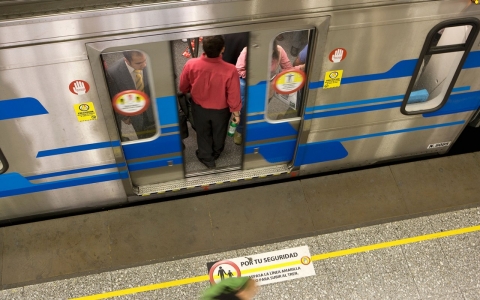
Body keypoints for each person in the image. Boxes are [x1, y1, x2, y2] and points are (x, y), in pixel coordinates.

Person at [179, 35, 242, 169]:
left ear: (203, 48)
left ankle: (206, 157)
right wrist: (236, 114)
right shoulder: (230, 69)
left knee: (202, 133)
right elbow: (234, 95)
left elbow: (183, 87)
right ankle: (217, 151)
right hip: (221, 111)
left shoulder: (191, 64)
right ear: (222, 49)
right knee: (220, 132)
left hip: (199, 108)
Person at [234, 40, 303, 144]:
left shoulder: (279, 51)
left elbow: (288, 69)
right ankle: (240, 130)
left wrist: (300, 68)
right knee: (245, 110)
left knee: (260, 109)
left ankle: (252, 130)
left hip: (268, 88)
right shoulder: (247, 51)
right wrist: (256, 76)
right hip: (250, 85)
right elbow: (238, 70)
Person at [106, 50, 155, 141]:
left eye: (145, 60)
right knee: (144, 137)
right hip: (135, 113)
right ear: (127, 61)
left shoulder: (152, 61)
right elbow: (113, 96)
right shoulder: (113, 73)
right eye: (139, 63)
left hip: (155, 108)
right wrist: (124, 117)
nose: (144, 65)